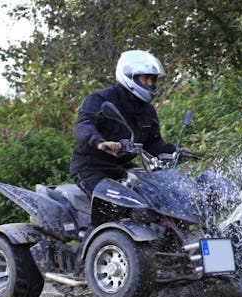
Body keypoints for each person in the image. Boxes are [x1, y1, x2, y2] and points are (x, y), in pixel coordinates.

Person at [69, 50, 178, 195]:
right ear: (130, 76)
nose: (150, 84)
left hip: (122, 167)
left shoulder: (147, 110)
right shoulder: (100, 99)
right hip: (92, 168)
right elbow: (84, 126)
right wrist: (99, 142)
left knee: (158, 196)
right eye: (146, 78)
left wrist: (176, 151)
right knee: (118, 206)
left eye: (153, 79)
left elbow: (153, 143)